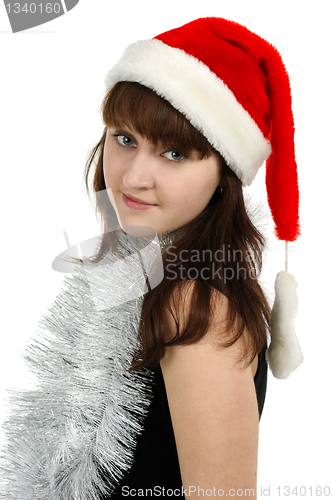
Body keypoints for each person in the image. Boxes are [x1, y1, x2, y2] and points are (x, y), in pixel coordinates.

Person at [0, 17, 303, 500]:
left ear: (224, 174)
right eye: (125, 139)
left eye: (176, 153)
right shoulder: (133, 276)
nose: (134, 177)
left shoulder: (196, 308)